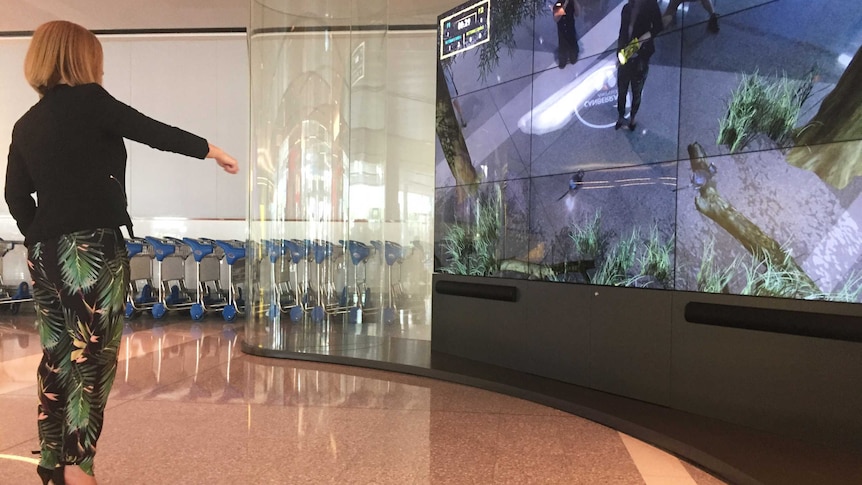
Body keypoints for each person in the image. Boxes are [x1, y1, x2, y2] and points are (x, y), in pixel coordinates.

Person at [4, 20, 239, 485]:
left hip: (45, 254)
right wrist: (212, 150)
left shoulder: (26, 123)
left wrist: (39, 237)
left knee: (56, 353)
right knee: (93, 357)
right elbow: (152, 130)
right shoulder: (92, 101)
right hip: (92, 248)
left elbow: (16, 195)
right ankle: (79, 467)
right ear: (82, 58)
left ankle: (52, 461)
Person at [615, 0, 663, 131]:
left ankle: (633, 117)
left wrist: (645, 37)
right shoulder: (627, 8)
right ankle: (620, 115)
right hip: (625, 56)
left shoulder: (651, 5)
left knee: (637, 90)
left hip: (641, 57)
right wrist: (619, 53)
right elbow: (622, 33)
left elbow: (659, 26)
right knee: (622, 89)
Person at [553, 0, 581, 68]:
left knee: (573, 60)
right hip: (562, 34)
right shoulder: (557, 4)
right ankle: (563, 57)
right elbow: (556, 18)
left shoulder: (572, 3)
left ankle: (573, 54)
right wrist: (565, 4)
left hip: (571, 32)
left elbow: (577, 13)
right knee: (562, 64)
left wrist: (574, 1)